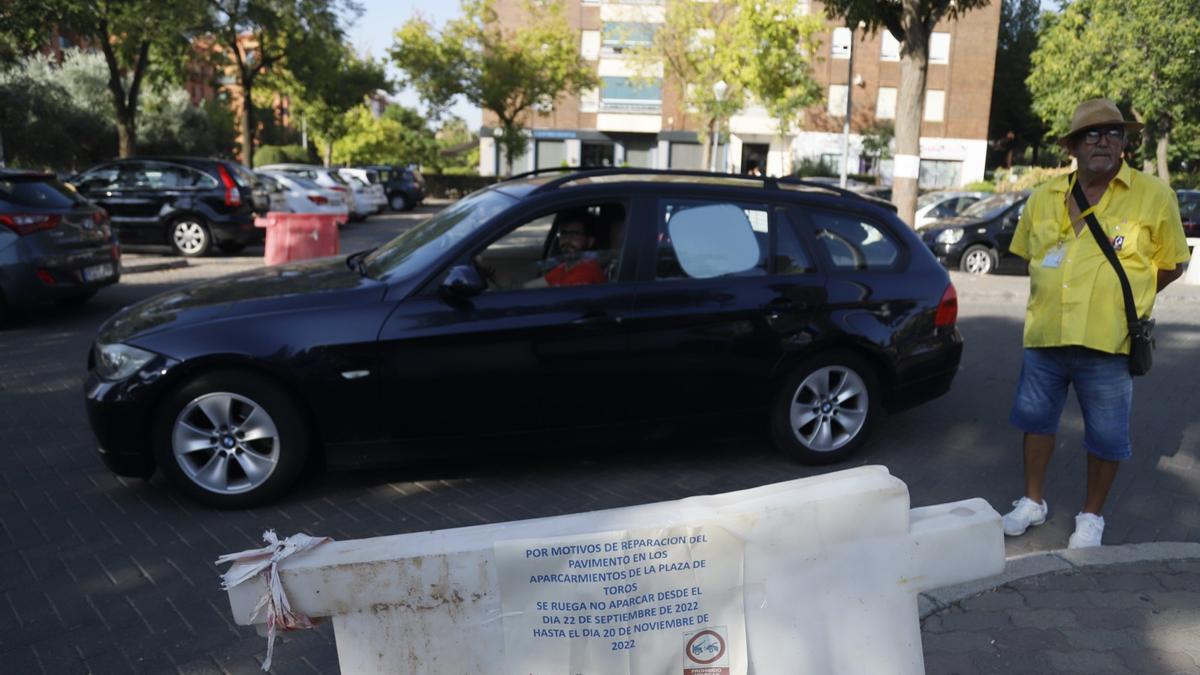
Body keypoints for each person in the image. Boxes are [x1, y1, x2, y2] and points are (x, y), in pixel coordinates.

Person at [1000, 98, 1191, 548]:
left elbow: (1173, 264)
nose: (1103, 141)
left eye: (1114, 133)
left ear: (1125, 143)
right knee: (1036, 423)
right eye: (1092, 134)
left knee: (1107, 437)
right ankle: (1033, 501)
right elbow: (1030, 255)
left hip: (1109, 342)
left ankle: (1092, 516)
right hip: (1045, 336)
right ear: (1073, 146)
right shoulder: (1044, 196)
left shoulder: (1153, 195)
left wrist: (1130, 300)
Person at [525, 212, 607, 288]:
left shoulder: (588, 271)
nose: (567, 240)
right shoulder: (565, 267)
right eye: (564, 233)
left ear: (590, 241)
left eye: (574, 234)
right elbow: (529, 286)